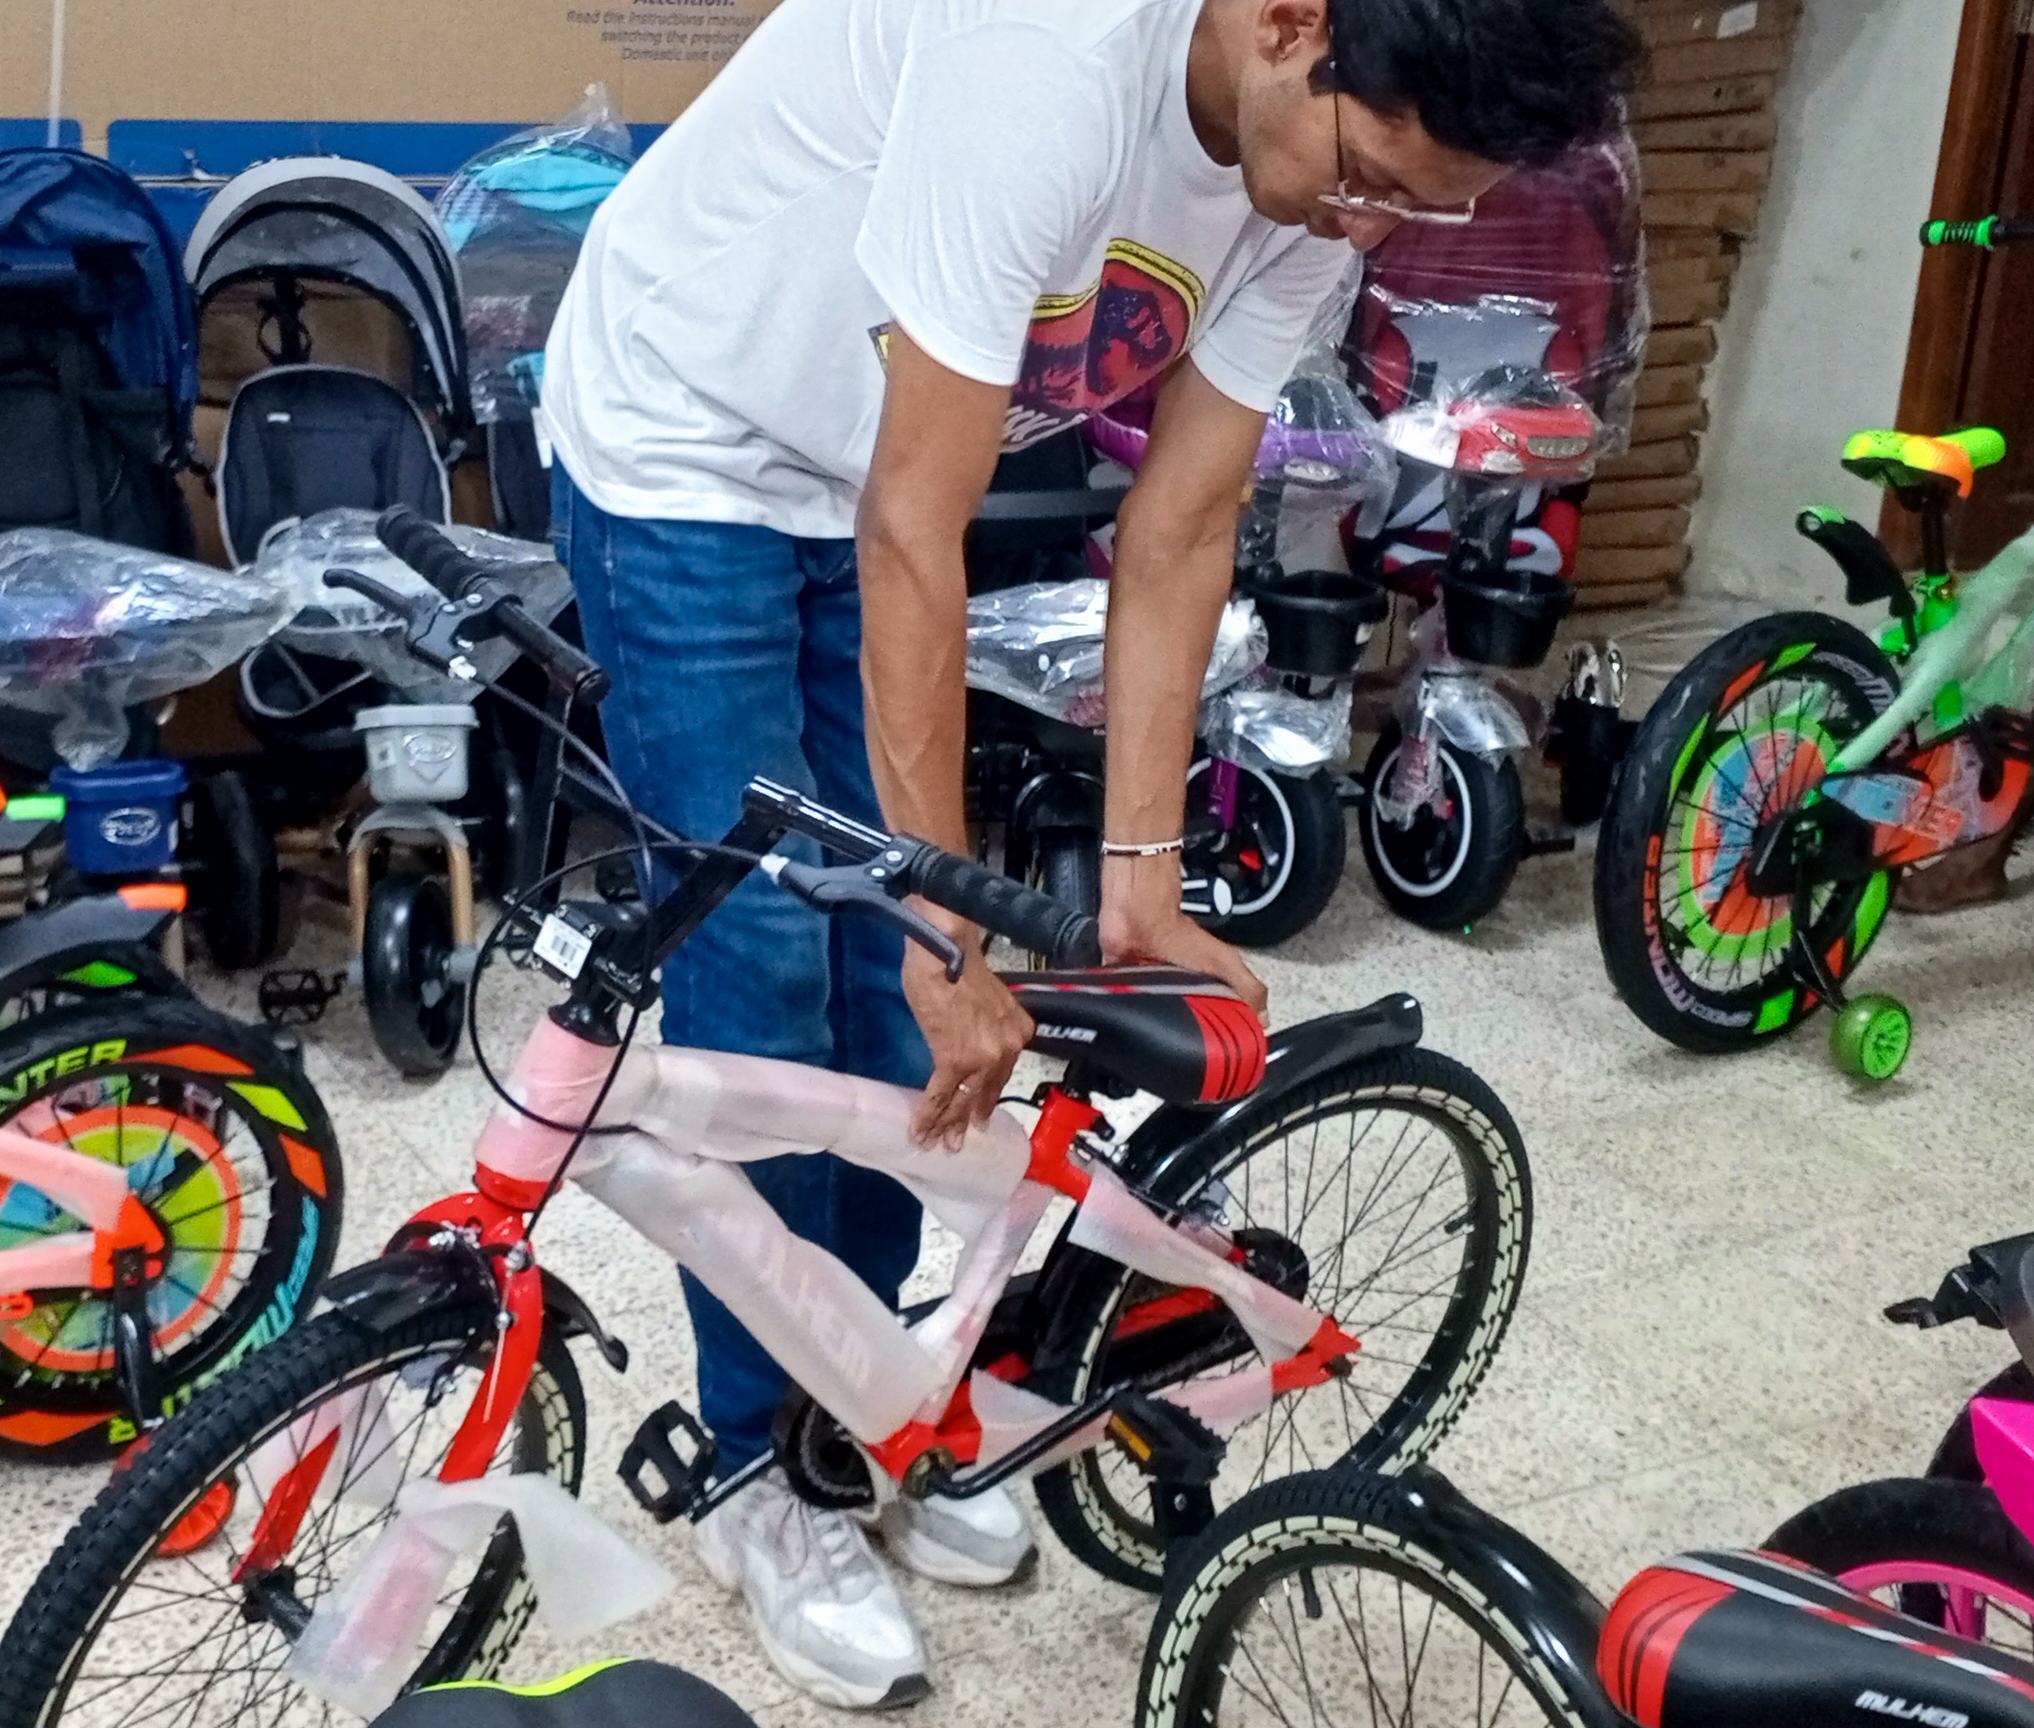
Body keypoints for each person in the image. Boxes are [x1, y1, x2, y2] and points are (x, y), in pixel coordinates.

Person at [535, 0, 1639, 1708]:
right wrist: (946, 926)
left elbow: (1180, 525)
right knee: (768, 968)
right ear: (1292, 20)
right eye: (1369, 178)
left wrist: (1143, 883)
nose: (1365, 230)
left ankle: (869, 1405)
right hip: (692, 440)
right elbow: (918, 528)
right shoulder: (1051, 58)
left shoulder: (1313, 184)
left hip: (869, 468)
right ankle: (759, 1466)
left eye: (1416, 210)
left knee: (892, 1011)